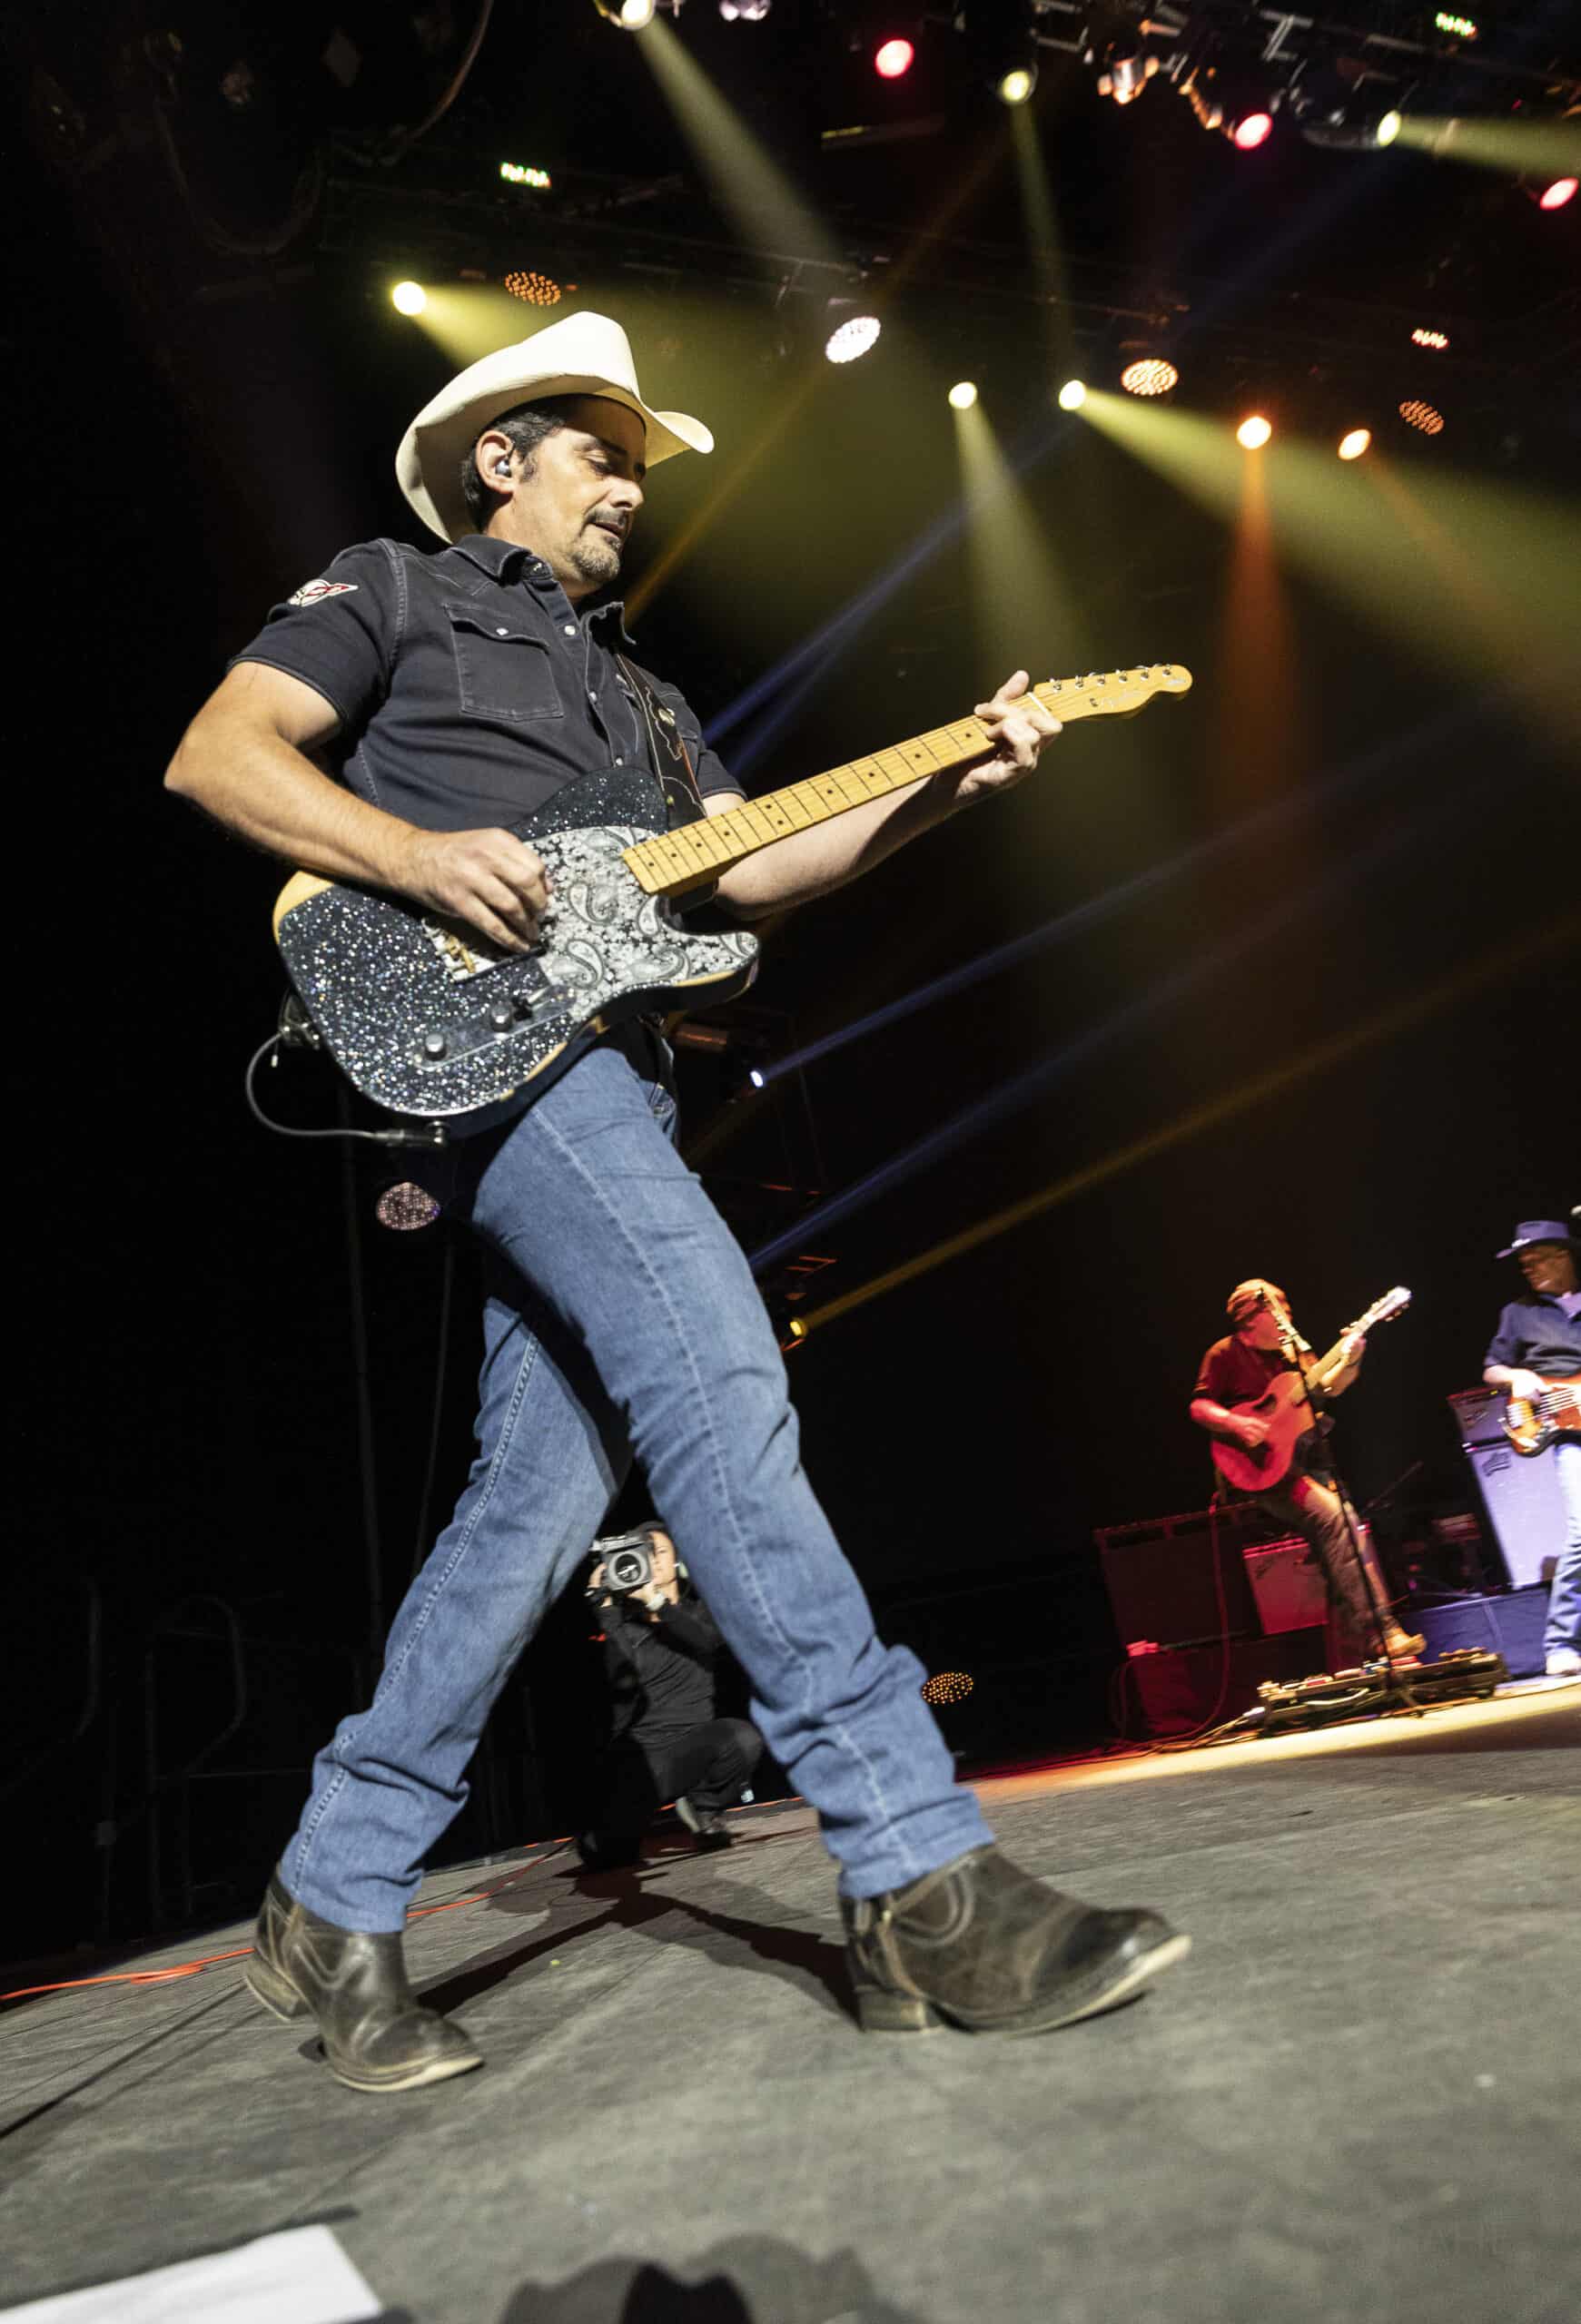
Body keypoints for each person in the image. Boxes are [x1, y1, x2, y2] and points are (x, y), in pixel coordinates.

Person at [165, 309, 1187, 2093]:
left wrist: (946, 779)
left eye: (640, 463)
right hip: (500, 1064)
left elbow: (759, 868)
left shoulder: (644, 700)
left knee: (528, 1509)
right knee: (716, 1376)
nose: (631, 486)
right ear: (501, 458)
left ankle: (330, 1888)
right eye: (603, 450)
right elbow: (221, 753)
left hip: (617, 1075)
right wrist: (413, 853)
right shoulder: (393, 591)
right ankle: (913, 1869)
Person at [1190, 1278, 1426, 1665]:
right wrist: (1237, 1423)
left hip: (1307, 1460)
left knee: (1344, 1540)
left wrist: (1352, 1358)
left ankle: (1355, 1661)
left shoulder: (1294, 1352)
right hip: (1262, 1470)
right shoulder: (1224, 1353)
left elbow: (1329, 1388)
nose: (1287, 1314)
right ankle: (1382, 1633)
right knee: (1338, 1519)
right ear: (1251, 1317)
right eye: (1276, 1308)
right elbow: (1199, 1407)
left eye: (1286, 1305)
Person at [576, 1521, 763, 1871]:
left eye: (660, 1551)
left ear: (677, 1562)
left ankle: (703, 1808)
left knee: (743, 1739)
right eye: (645, 1553)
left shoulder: (701, 1612)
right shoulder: (626, 1624)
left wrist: (657, 1602)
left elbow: (708, 1640)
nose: (653, 1560)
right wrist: (606, 1610)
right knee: (607, 1855)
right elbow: (621, 1681)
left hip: (696, 1743)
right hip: (644, 1757)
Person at [1481, 1219, 1581, 1679]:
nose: (1530, 1269)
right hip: (1568, 1433)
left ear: (1565, 1256)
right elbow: (1492, 1369)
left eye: (1537, 1260)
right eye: (1524, 1264)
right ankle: (1561, 1643)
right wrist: (1518, 1376)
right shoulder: (1517, 1313)